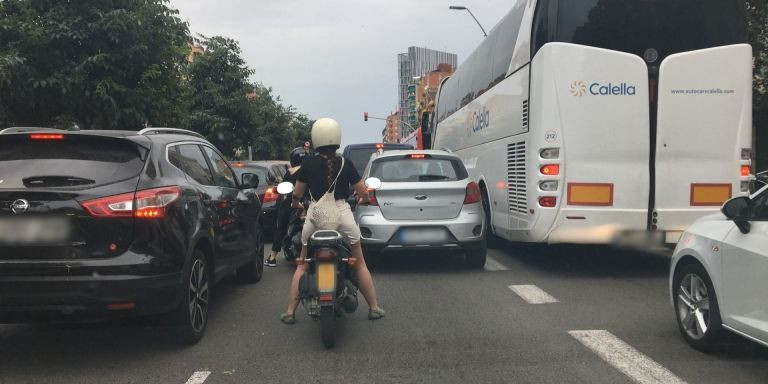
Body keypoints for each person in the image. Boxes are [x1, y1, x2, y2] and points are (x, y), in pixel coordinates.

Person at [280, 118, 385, 324]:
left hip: (316, 218)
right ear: (337, 138)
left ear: (315, 138)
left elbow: (298, 193)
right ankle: (373, 307)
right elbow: (363, 192)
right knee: (360, 263)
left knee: (302, 266)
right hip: (342, 216)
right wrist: (362, 199)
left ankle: (290, 312)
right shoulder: (346, 162)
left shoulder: (308, 163)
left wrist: (295, 203)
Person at [265, 147, 307, 266]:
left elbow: (284, 188)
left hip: (292, 204)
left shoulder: (291, 172)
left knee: (281, 228)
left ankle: (272, 257)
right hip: (308, 204)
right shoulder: (310, 170)